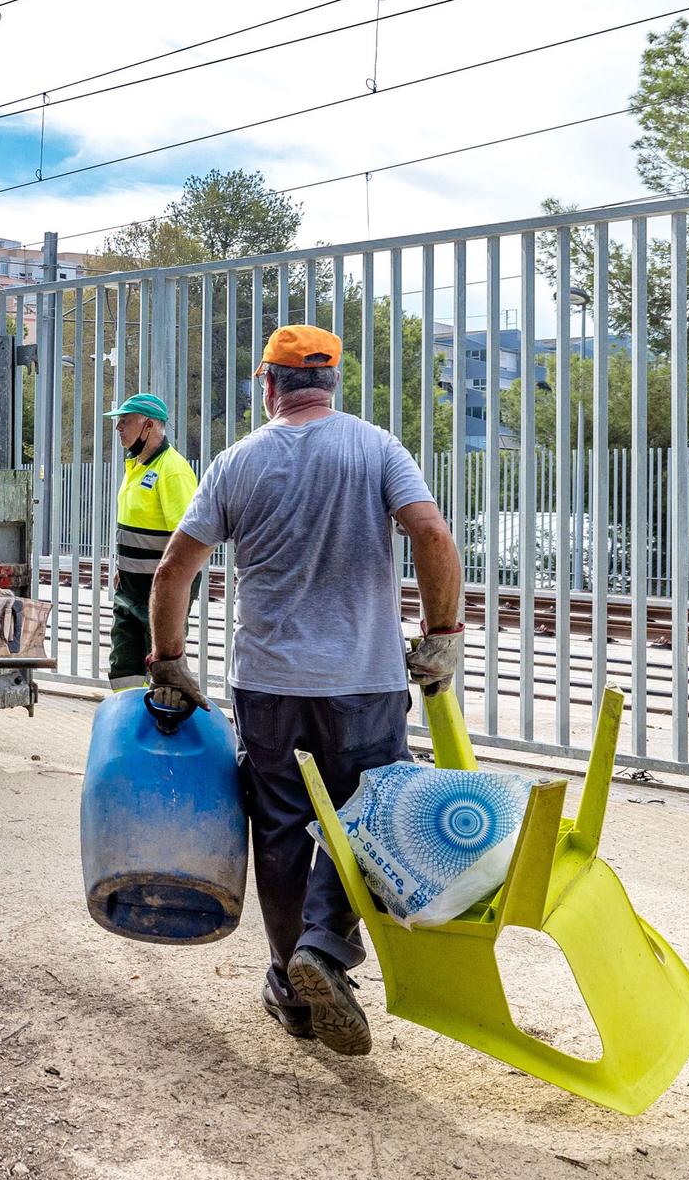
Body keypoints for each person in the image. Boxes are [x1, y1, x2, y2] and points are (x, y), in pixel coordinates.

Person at [145, 325, 463, 1057]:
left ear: (268, 386)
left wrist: (169, 658)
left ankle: (293, 985)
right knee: (373, 812)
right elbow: (433, 536)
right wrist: (441, 631)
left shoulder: (235, 462)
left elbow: (172, 572)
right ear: (331, 382)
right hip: (365, 681)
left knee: (283, 829)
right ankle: (325, 942)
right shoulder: (377, 448)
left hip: (268, 684)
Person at [100, 393, 197, 690]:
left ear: (149, 425)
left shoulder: (172, 471)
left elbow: (188, 542)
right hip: (130, 590)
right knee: (124, 669)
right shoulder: (136, 468)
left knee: (162, 673)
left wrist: (171, 590)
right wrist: (123, 568)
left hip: (160, 595)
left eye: (125, 422)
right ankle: (132, 727)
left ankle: (161, 731)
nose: (118, 429)